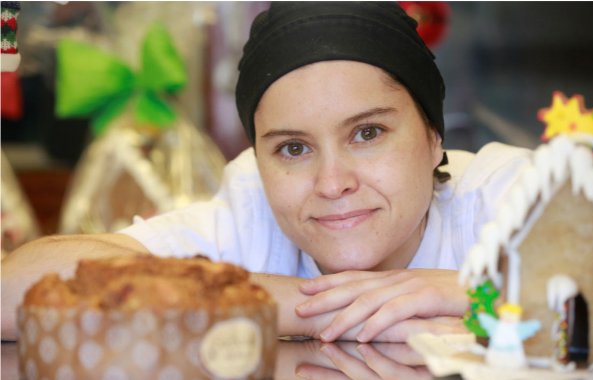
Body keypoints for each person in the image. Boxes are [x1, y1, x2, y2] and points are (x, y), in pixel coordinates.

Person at [1, 2, 531, 342]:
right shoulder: (249, 215)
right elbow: (15, 289)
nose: (332, 183)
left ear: (433, 136)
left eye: (367, 134)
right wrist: (326, 310)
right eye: (294, 148)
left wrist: (469, 290)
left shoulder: (501, 197)